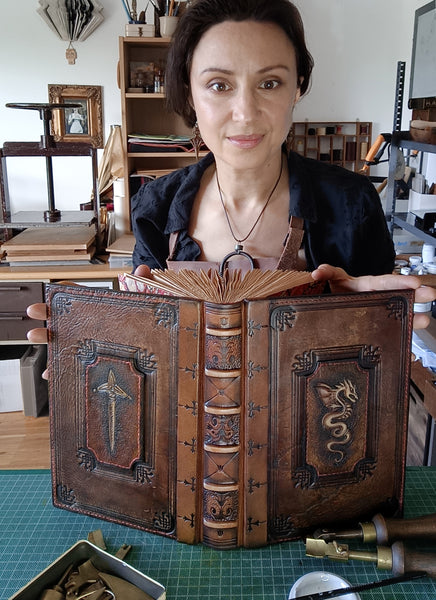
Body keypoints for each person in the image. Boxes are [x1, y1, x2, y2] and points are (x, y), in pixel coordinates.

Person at [28, 0, 436, 352]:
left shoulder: (351, 202)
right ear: (189, 94)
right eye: (219, 84)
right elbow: (150, 354)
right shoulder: (157, 206)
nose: (245, 112)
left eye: (270, 83)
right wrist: (91, 365)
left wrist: (378, 320)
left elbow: (372, 364)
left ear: (298, 87)